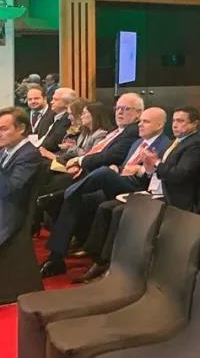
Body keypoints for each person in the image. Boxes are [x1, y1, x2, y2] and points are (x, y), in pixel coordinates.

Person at [75, 106, 200, 283]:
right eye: (174, 121)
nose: (175, 125)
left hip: (173, 198)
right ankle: (97, 258)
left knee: (119, 212)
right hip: (154, 191)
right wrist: (148, 167)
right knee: (106, 207)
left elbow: (179, 176)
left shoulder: (195, 146)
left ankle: (112, 266)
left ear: (194, 124)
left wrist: (156, 163)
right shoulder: (175, 142)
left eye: (181, 121)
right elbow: (157, 173)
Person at [41, 107, 170, 277]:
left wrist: (140, 170)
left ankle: (71, 192)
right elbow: (122, 164)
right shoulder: (138, 142)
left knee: (102, 173)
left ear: (159, 125)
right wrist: (117, 167)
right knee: (71, 199)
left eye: (146, 121)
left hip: (139, 189)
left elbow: (158, 176)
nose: (140, 125)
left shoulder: (164, 144)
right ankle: (56, 257)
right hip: (121, 183)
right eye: (141, 121)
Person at [0, 107, 45, 249]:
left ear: (21, 129)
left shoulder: (29, 155)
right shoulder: (5, 151)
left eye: (3, 129)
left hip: (11, 212)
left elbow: (12, 189)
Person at [37, 87, 76, 153]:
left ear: (67, 103)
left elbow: (53, 144)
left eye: (56, 99)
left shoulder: (68, 119)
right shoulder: (50, 115)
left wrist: (35, 150)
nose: (51, 102)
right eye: (52, 99)